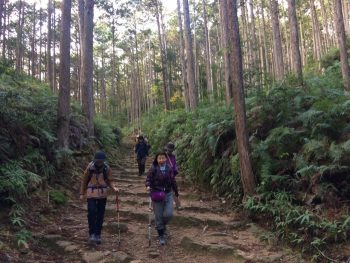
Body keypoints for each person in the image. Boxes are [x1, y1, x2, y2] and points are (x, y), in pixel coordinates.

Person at [80, 151, 119, 245]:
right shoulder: (90, 168)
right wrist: (82, 193)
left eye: (101, 161)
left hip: (102, 193)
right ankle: (92, 234)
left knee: (101, 214)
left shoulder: (107, 168)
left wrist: (114, 188)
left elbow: (110, 180)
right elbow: (84, 180)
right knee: (92, 212)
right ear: (95, 160)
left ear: (103, 161)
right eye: (98, 161)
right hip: (91, 193)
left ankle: (98, 234)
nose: (99, 163)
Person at [145, 152, 179, 246]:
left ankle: (162, 226)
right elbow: (148, 179)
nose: (161, 160)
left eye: (163, 158)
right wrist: (148, 186)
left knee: (169, 214)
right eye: (159, 158)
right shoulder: (153, 168)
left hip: (168, 193)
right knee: (159, 216)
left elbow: (173, 180)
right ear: (156, 159)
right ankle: (161, 235)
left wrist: (176, 192)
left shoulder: (169, 168)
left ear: (165, 159)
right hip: (156, 193)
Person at [164, 142, 182, 210]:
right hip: (163, 176)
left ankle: (178, 205)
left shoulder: (173, 156)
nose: (169, 151)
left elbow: (174, 165)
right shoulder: (163, 156)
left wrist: (176, 170)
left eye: (171, 150)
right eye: (169, 149)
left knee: (174, 190)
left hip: (171, 176)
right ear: (166, 149)